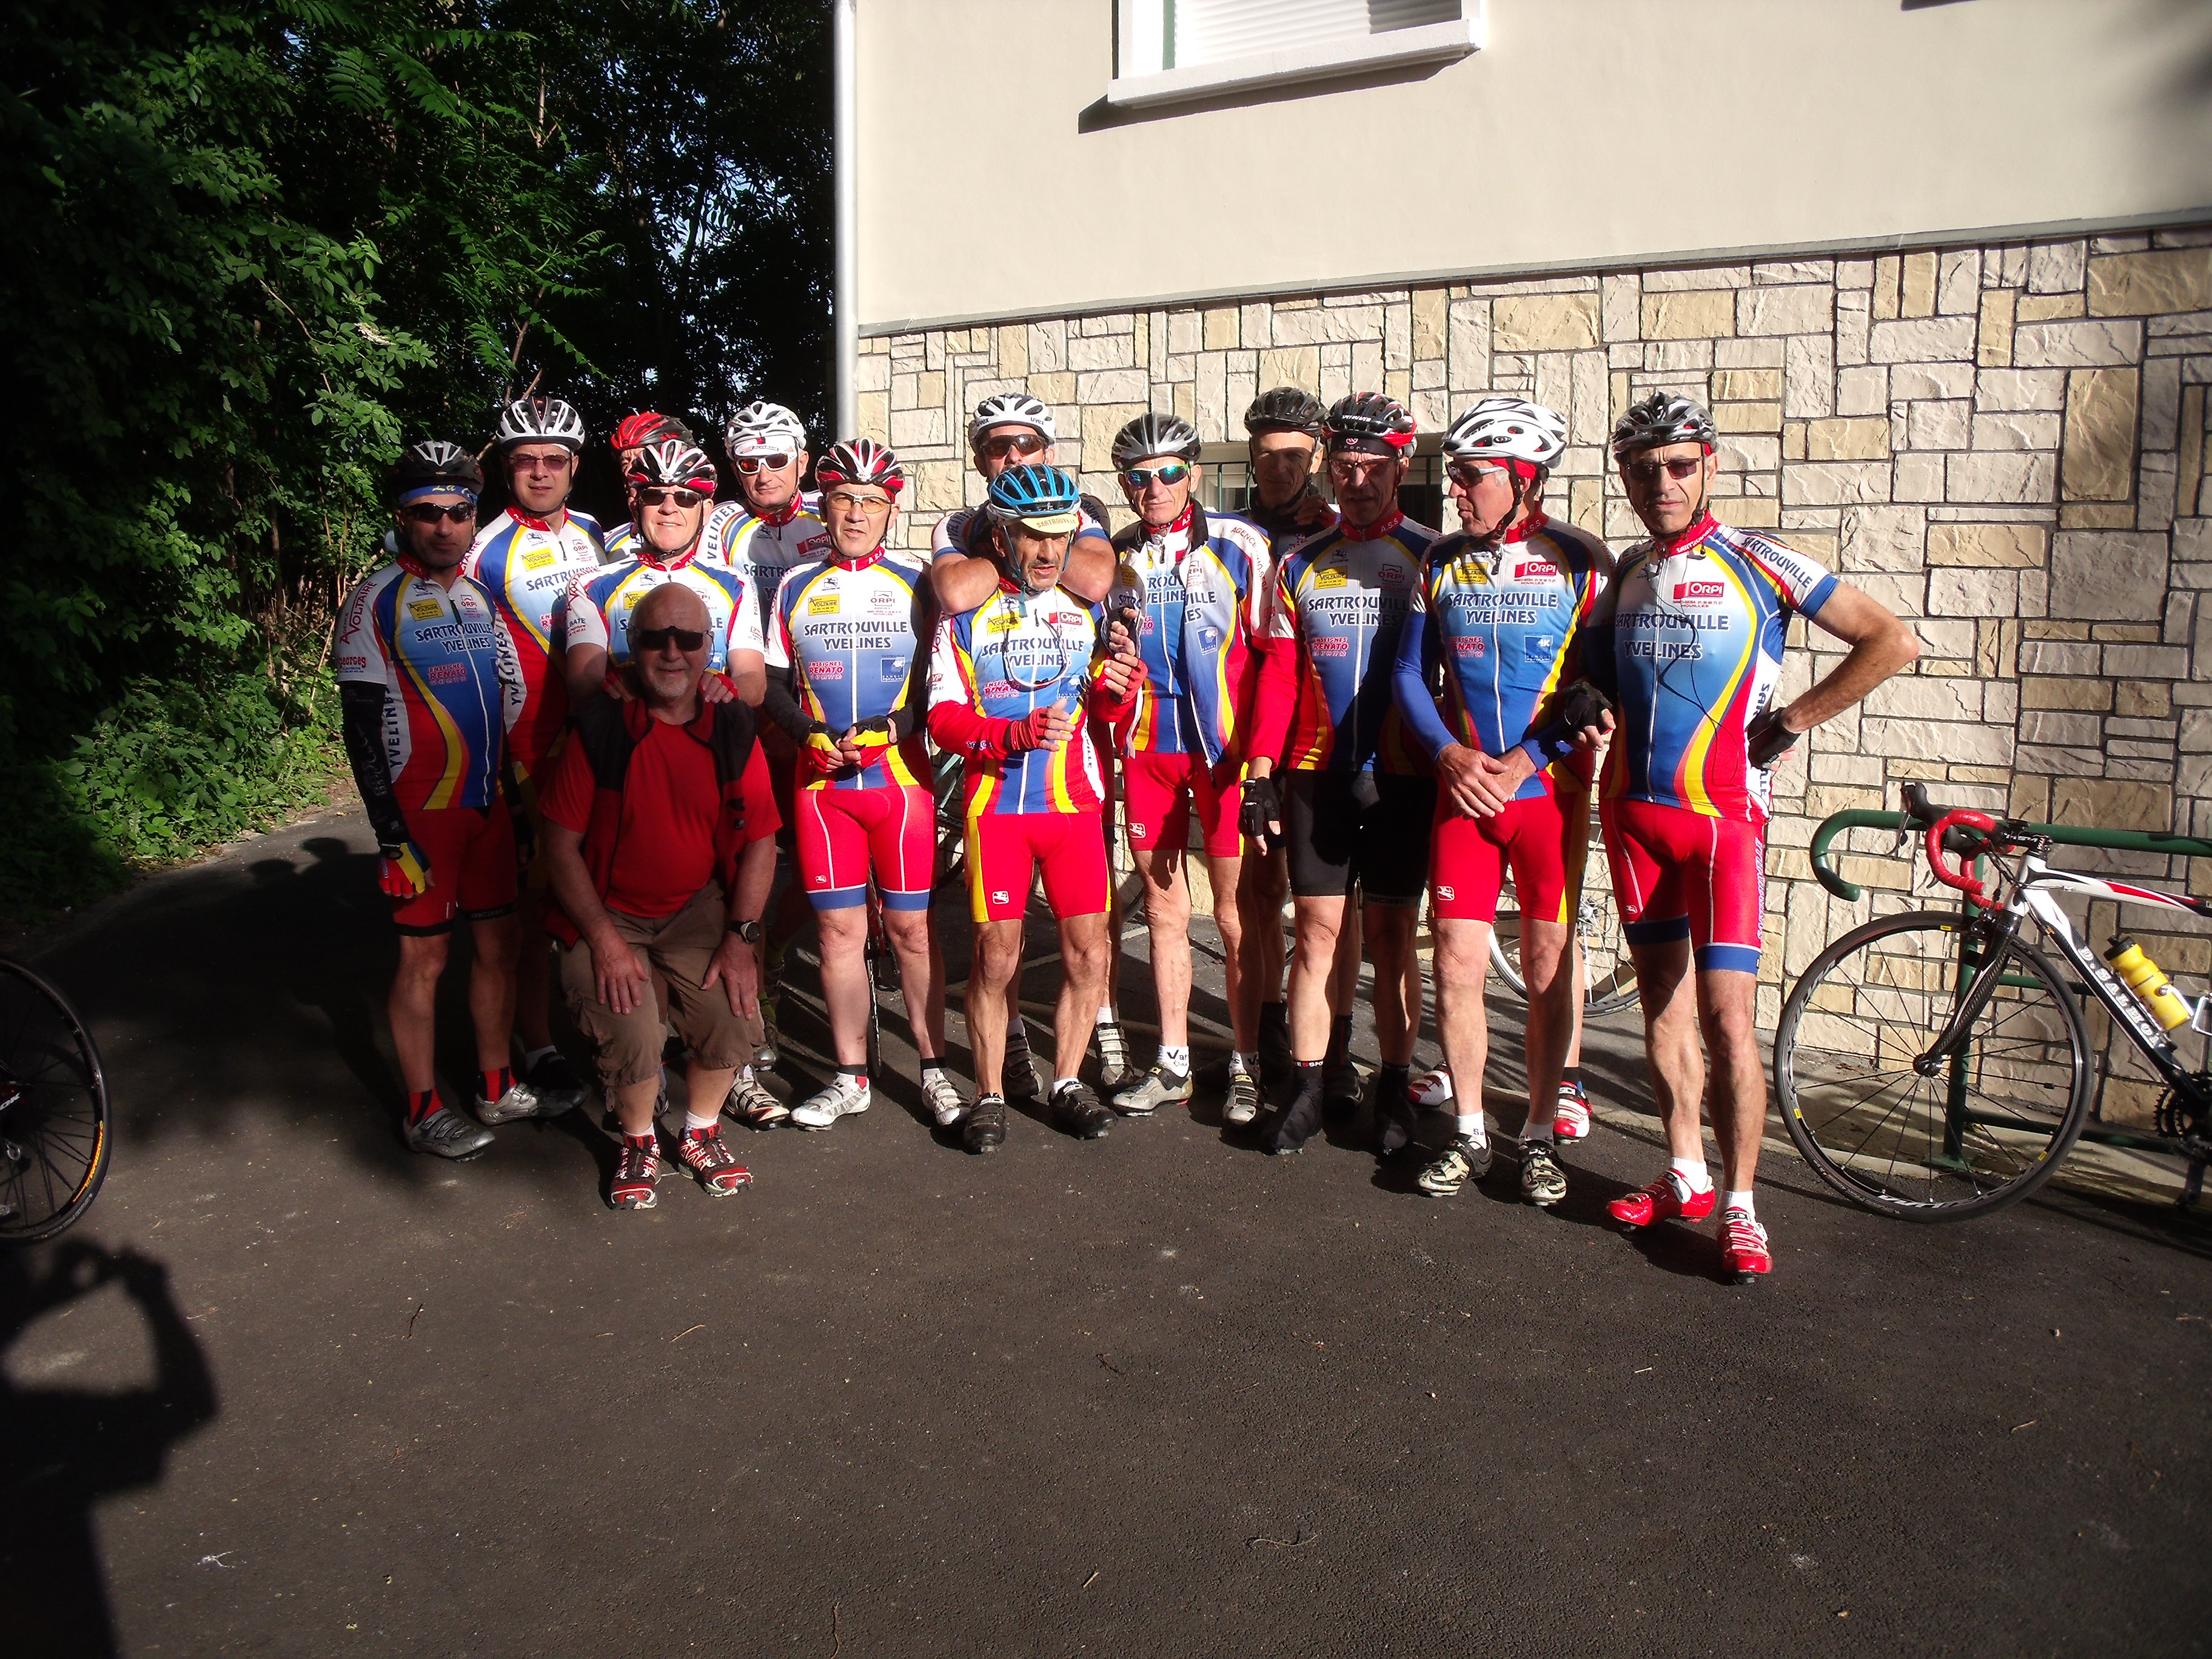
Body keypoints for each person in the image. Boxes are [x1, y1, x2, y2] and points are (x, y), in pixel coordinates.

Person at [1587, 392, 1917, 1281]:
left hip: (1724, 823)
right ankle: (1685, 1172)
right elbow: (1599, 673)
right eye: (1643, 469)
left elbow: (1891, 641)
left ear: (1709, 466)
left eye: (1678, 465)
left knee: (1729, 1022)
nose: (1662, 483)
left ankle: (1741, 1206)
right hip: (1634, 817)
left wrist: (1795, 718)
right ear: (1625, 477)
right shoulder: (1628, 569)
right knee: (1660, 1005)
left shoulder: (1758, 558)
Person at [1390, 397, 1610, 1205]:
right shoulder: (1441, 560)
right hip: (1465, 793)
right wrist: (1449, 755)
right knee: (1454, 962)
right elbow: (1408, 673)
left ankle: (1541, 1133)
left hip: (1546, 793)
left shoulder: (1580, 560)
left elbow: (1598, 689)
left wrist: (1526, 760)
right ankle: (1472, 1131)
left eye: (1471, 477)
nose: (1455, 491)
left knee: (1548, 966)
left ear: (1525, 479)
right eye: (1454, 476)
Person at [927, 464, 1145, 1153]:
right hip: (997, 811)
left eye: (1060, 535)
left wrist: (1120, 689)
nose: (1050, 552)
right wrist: (1010, 735)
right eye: (1033, 536)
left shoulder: (1088, 609)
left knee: (1088, 952)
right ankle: (990, 1093)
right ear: (1002, 536)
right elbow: (942, 717)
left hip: (1074, 808)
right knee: (996, 959)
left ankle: (1069, 1082)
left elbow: (1108, 709)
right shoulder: (964, 616)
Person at [541, 583, 780, 1210]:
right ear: (631, 646)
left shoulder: (732, 724)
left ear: (709, 648)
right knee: (631, 1028)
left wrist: (741, 938)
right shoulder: (602, 726)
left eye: (688, 638)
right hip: (608, 911)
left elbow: (761, 841)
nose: (672, 652)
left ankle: (701, 1131)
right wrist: (603, 941)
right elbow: (559, 847)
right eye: (655, 638)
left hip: (696, 906)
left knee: (733, 1011)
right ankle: (639, 1138)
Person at [1244, 392, 1438, 1156]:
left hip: (1402, 777)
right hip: (1315, 773)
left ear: (1402, 467)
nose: (1357, 482)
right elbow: (1280, 673)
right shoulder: (1299, 560)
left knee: (1391, 938)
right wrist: (1261, 772)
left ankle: (1394, 1086)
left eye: (1373, 468)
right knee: (1316, 933)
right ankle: (1307, 1088)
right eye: (1346, 467)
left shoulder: (1431, 554)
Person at [335, 441, 535, 1158]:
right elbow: (360, 730)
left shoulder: (480, 596)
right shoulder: (374, 599)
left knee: (501, 947)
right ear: (403, 517)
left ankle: (496, 1085)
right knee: (424, 962)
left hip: (486, 808)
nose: (445, 526)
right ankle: (422, 1110)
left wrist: (516, 812)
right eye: (428, 512)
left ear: (473, 517)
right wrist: (390, 836)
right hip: (423, 811)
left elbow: (504, 711)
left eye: (458, 512)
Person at [759, 440, 963, 1131]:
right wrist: (804, 733)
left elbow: (941, 688)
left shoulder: (919, 582)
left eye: (872, 502)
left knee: (911, 930)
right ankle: (850, 1077)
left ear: (890, 511)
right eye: (844, 499)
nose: (856, 514)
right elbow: (773, 684)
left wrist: (896, 727)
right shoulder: (795, 585)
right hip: (821, 787)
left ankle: (934, 1071)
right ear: (824, 505)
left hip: (898, 781)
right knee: (837, 931)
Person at [1101, 412, 1281, 1128]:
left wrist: (1261, 762)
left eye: (1170, 473)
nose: (1155, 488)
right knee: (1164, 909)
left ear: (1195, 474)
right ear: (1125, 485)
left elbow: (1275, 659)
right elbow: (1105, 660)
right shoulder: (1114, 557)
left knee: (1236, 915)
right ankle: (1173, 1061)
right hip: (1149, 752)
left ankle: (1247, 1060)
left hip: (1224, 755)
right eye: (1139, 478)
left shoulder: (1242, 545)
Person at [463, 395, 606, 1111]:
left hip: (594, 737)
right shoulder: (482, 551)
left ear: (575, 467)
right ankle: (540, 1045)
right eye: (527, 461)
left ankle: (609, 1031)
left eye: (555, 460)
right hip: (523, 750)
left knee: (600, 889)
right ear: (507, 468)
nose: (541, 472)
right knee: (528, 909)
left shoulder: (593, 533)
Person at [712, 400, 830, 1073]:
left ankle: (778, 953)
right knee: (743, 872)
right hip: (744, 717)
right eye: (748, 462)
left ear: (802, 461)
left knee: (815, 870)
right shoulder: (720, 526)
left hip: (812, 716)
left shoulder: (829, 513)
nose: (763, 473)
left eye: (777, 458)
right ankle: (750, 1002)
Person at [1236, 388, 1339, 1089]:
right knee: (1258, 894)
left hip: (1319, 740)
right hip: (1250, 734)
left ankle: (1334, 1046)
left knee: (1328, 909)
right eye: (1268, 456)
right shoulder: (1232, 532)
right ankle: (1271, 1031)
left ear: (1317, 458)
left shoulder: (1336, 528)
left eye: (1294, 456)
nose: (1280, 469)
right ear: (1251, 458)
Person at [561, 438, 766, 710]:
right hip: (629, 732)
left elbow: (754, 683)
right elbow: (582, 683)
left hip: (710, 729)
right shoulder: (591, 586)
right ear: (636, 507)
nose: (669, 508)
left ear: (705, 511)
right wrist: (624, 682)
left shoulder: (736, 583)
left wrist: (727, 687)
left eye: (685, 498)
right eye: (654, 496)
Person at [602, 412, 698, 557]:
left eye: (641, 460)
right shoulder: (609, 546)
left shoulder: (718, 532)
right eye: (625, 463)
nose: (628, 471)